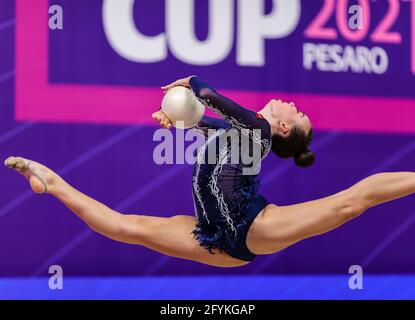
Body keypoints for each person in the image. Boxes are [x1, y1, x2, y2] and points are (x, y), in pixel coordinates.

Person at [5, 76, 415, 268]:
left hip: (254, 226)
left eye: (299, 113)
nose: (294, 104)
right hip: (213, 236)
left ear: (285, 127)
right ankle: (51, 180)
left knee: (349, 203)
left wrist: (193, 85)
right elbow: (207, 119)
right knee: (127, 226)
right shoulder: (245, 131)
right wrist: (179, 120)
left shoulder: (260, 130)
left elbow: (209, 98)